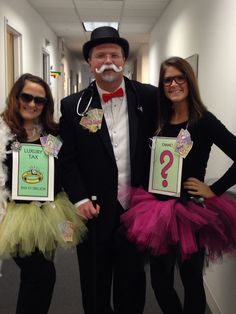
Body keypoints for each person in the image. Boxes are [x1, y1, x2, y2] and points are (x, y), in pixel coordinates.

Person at [121, 56, 236, 314]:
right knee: (160, 283)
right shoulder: (159, 120)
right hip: (156, 211)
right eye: (167, 80)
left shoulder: (204, 121)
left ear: (189, 81)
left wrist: (214, 189)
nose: (173, 84)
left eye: (179, 78)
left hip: (190, 212)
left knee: (191, 281)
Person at [59, 26, 158, 314]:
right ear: (90, 63)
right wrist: (78, 198)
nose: (108, 61)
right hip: (93, 210)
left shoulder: (149, 97)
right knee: (94, 285)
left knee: (133, 283)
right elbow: (67, 159)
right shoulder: (72, 106)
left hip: (135, 210)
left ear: (124, 60)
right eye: (100, 55)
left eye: (114, 54)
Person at [0, 73, 87, 314]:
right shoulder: (3, 134)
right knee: (41, 274)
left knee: (39, 276)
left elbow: (63, 170)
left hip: (49, 213)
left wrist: (81, 198)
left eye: (39, 100)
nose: (32, 104)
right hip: (14, 218)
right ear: (16, 97)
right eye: (26, 97)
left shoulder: (48, 136)